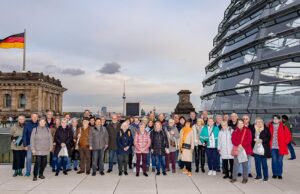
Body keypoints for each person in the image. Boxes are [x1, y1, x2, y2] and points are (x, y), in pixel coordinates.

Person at [268, 115, 292, 179]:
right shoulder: (269, 126)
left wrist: (285, 142)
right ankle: (275, 173)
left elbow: (289, 137)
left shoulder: (284, 127)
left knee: (279, 160)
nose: (275, 120)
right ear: (272, 119)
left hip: (281, 147)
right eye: (274, 118)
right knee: (274, 160)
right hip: (272, 147)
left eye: (276, 119)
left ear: (279, 120)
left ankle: (279, 173)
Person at [231, 119, 253, 184]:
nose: (240, 124)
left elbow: (249, 140)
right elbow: (233, 139)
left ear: (243, 124)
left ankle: (245, 178)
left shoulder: (248, 130)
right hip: (237, 149)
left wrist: (242, 145)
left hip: (246, 150)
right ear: (237, 124)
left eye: (241, 123)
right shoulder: (235, 131)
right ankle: (234, 178)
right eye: (239, 123)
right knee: (236, 164)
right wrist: (238, 145)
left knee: (245, 165)